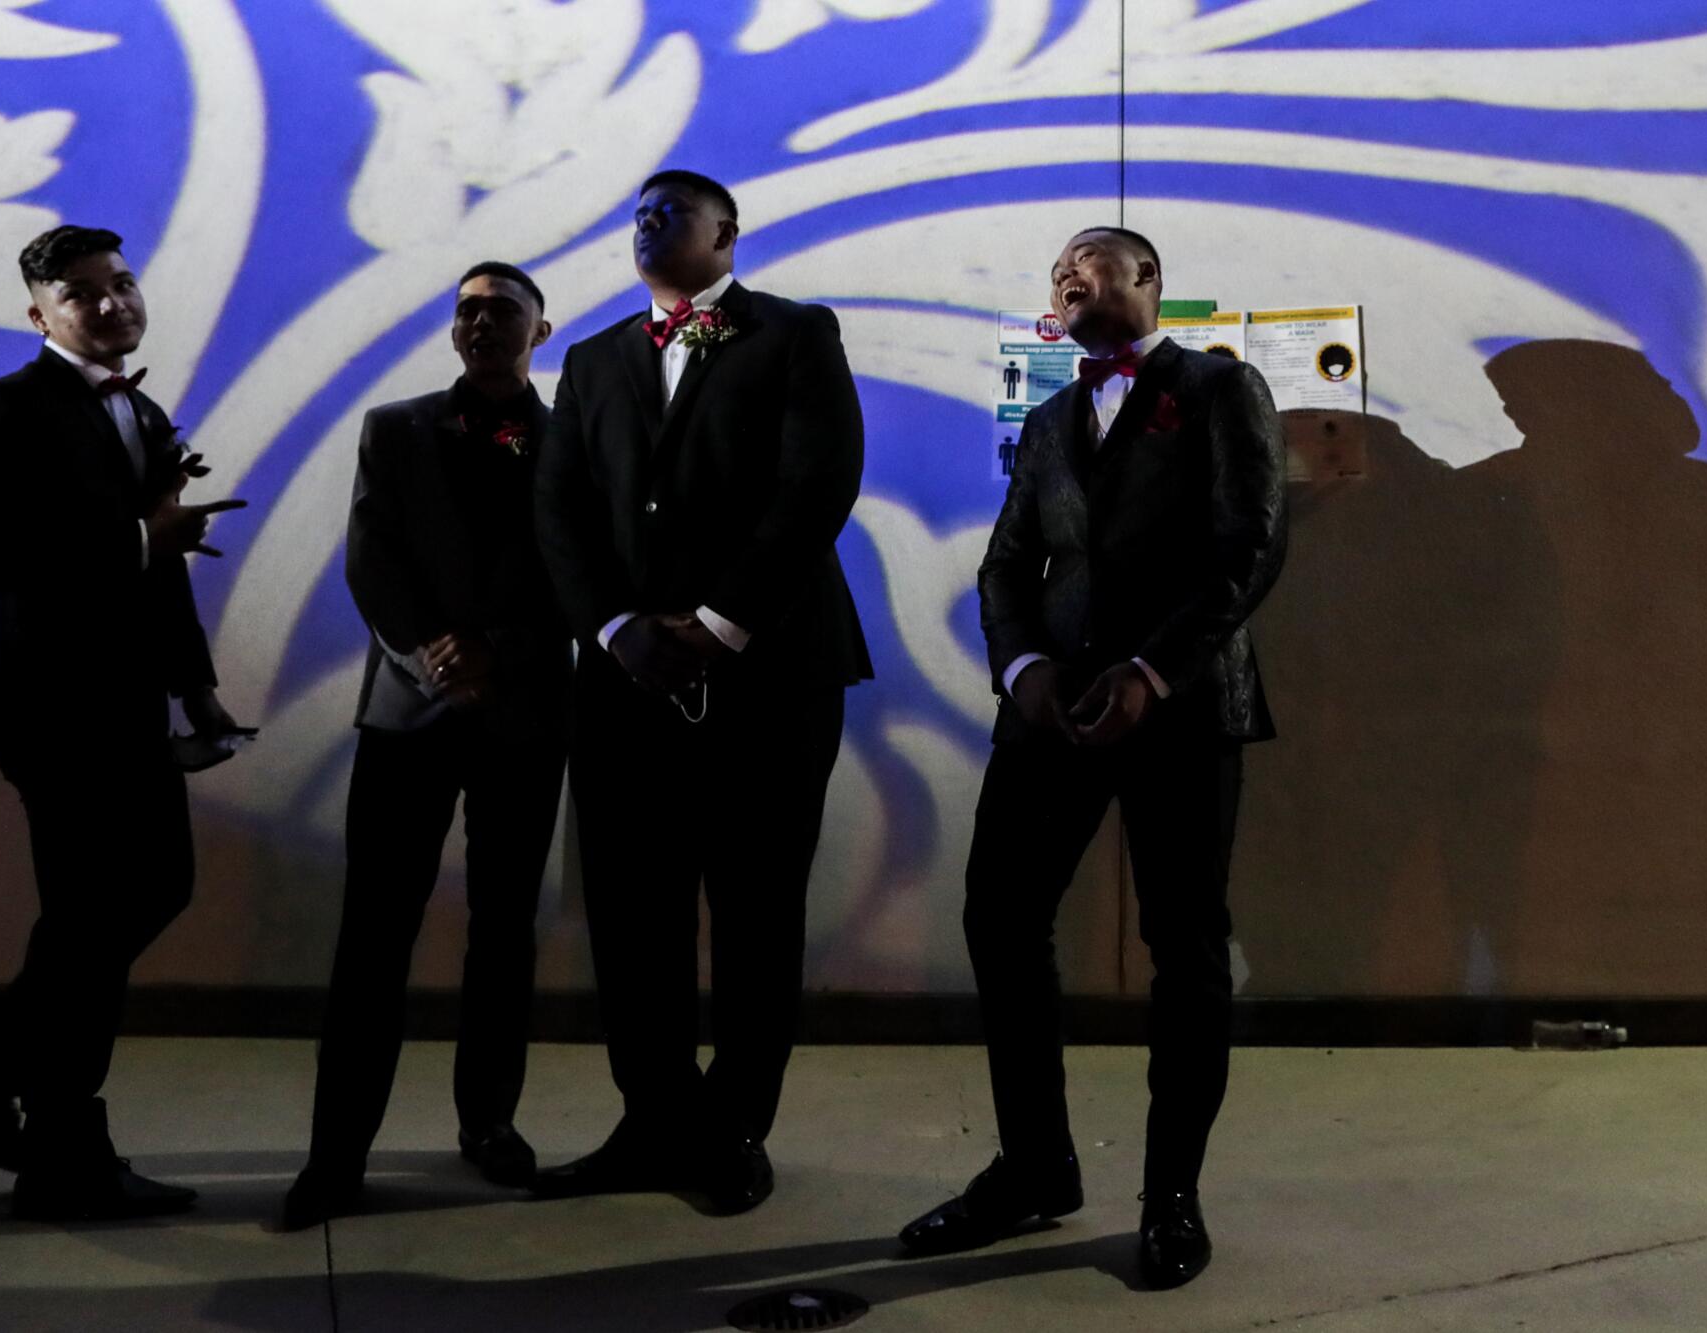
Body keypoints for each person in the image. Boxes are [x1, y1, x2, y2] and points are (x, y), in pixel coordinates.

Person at [898, 227, 1287, 1287]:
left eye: (1090, 263)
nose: (1068, 278)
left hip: (1180, 709)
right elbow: (1005, 565)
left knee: (1185, 945)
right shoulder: (1050, 416)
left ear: (1147, 282)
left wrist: (1149, 674)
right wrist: (1019, 668)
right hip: (1049, 710)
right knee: (998, 914)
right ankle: (1033, 1169)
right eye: (1055, 273)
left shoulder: (1216, 387)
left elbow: (1247, 545)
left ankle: (1169, 1198)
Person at [531, 169, 870, 1214]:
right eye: (634, 211)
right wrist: (619, 627)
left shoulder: (794, 333)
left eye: (669, 211)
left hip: (772, 673)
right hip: (625, 680)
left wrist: (719, 623)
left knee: (757, 907)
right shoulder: (590, 360)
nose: (645, 223)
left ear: (726, 233)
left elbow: (817, 483)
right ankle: (653, 1116)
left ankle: (733, 1128)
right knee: (633, 913)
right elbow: (559, 507)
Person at [0, 224, 249, 1221]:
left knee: (113, 909)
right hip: (52, 708)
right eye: (83, 292)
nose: (111, 303)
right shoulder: (4, 406)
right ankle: (54, 1139)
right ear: (39, 315)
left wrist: (199, 688)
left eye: (120, 283)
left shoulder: (141, 410)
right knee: (101, 914)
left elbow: (160, 568)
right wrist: (139, 533)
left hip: (129, 703)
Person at [280, 263, 574, 1229]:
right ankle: (336, 1155)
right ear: (454, 330)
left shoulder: (575, 436)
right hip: (410, 712)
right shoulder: (394, 427)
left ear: (541, 327)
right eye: (468, 311)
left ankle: (488, 1126)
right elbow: (373, 560)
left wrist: (503, 651)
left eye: (503, 311)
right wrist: (434, 656)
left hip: (525, 710)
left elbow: (583, 572)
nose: (483, 324)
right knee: (374, 936)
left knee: (504, 933)